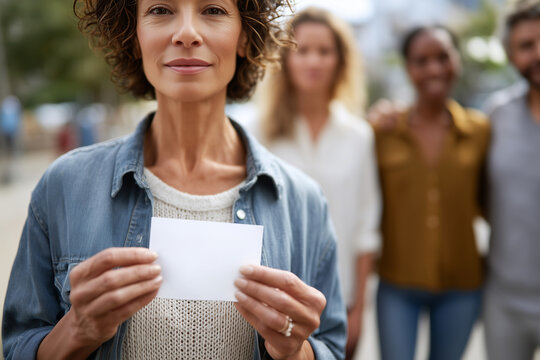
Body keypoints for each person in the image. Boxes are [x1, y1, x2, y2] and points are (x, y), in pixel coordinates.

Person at [2, 0, 347, 359]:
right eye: (161, 10)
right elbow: (16, 346)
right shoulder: (64, 187)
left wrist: (298, 351)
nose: (186, 33)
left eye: (213, 10)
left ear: (245, 36)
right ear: (134, 37)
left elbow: (332, 348)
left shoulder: (304, 202)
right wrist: (76, 330)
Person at [251, 8, 381, 360]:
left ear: (340, 61)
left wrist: (358, 310)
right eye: (302, 49)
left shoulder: (359, 135)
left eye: (324, 51)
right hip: (269, 301)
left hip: (341, 298)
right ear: (285, 58)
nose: (313, 60)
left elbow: (366, 228)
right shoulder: (258, 134)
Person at [369, 25, 490, 360]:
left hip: (462, 285)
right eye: (422, 60)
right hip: (397, 282)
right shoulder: (383, 131)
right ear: (408, 68)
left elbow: (493, 202)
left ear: (457, 61)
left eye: (443, 57)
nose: (434, 68)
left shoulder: (480, 131)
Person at [482, 1, 540, 358]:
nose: (538, 53)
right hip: (504, 298)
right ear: (509, 54)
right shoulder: (496, 115)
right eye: (525, 45)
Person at [0, 95, 21, 184]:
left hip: (7, 133)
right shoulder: (11, 109)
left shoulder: (6, 109)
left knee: (8, 153)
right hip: (8, 133)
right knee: (8, 153)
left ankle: (8, 171)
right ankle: (7, 172)